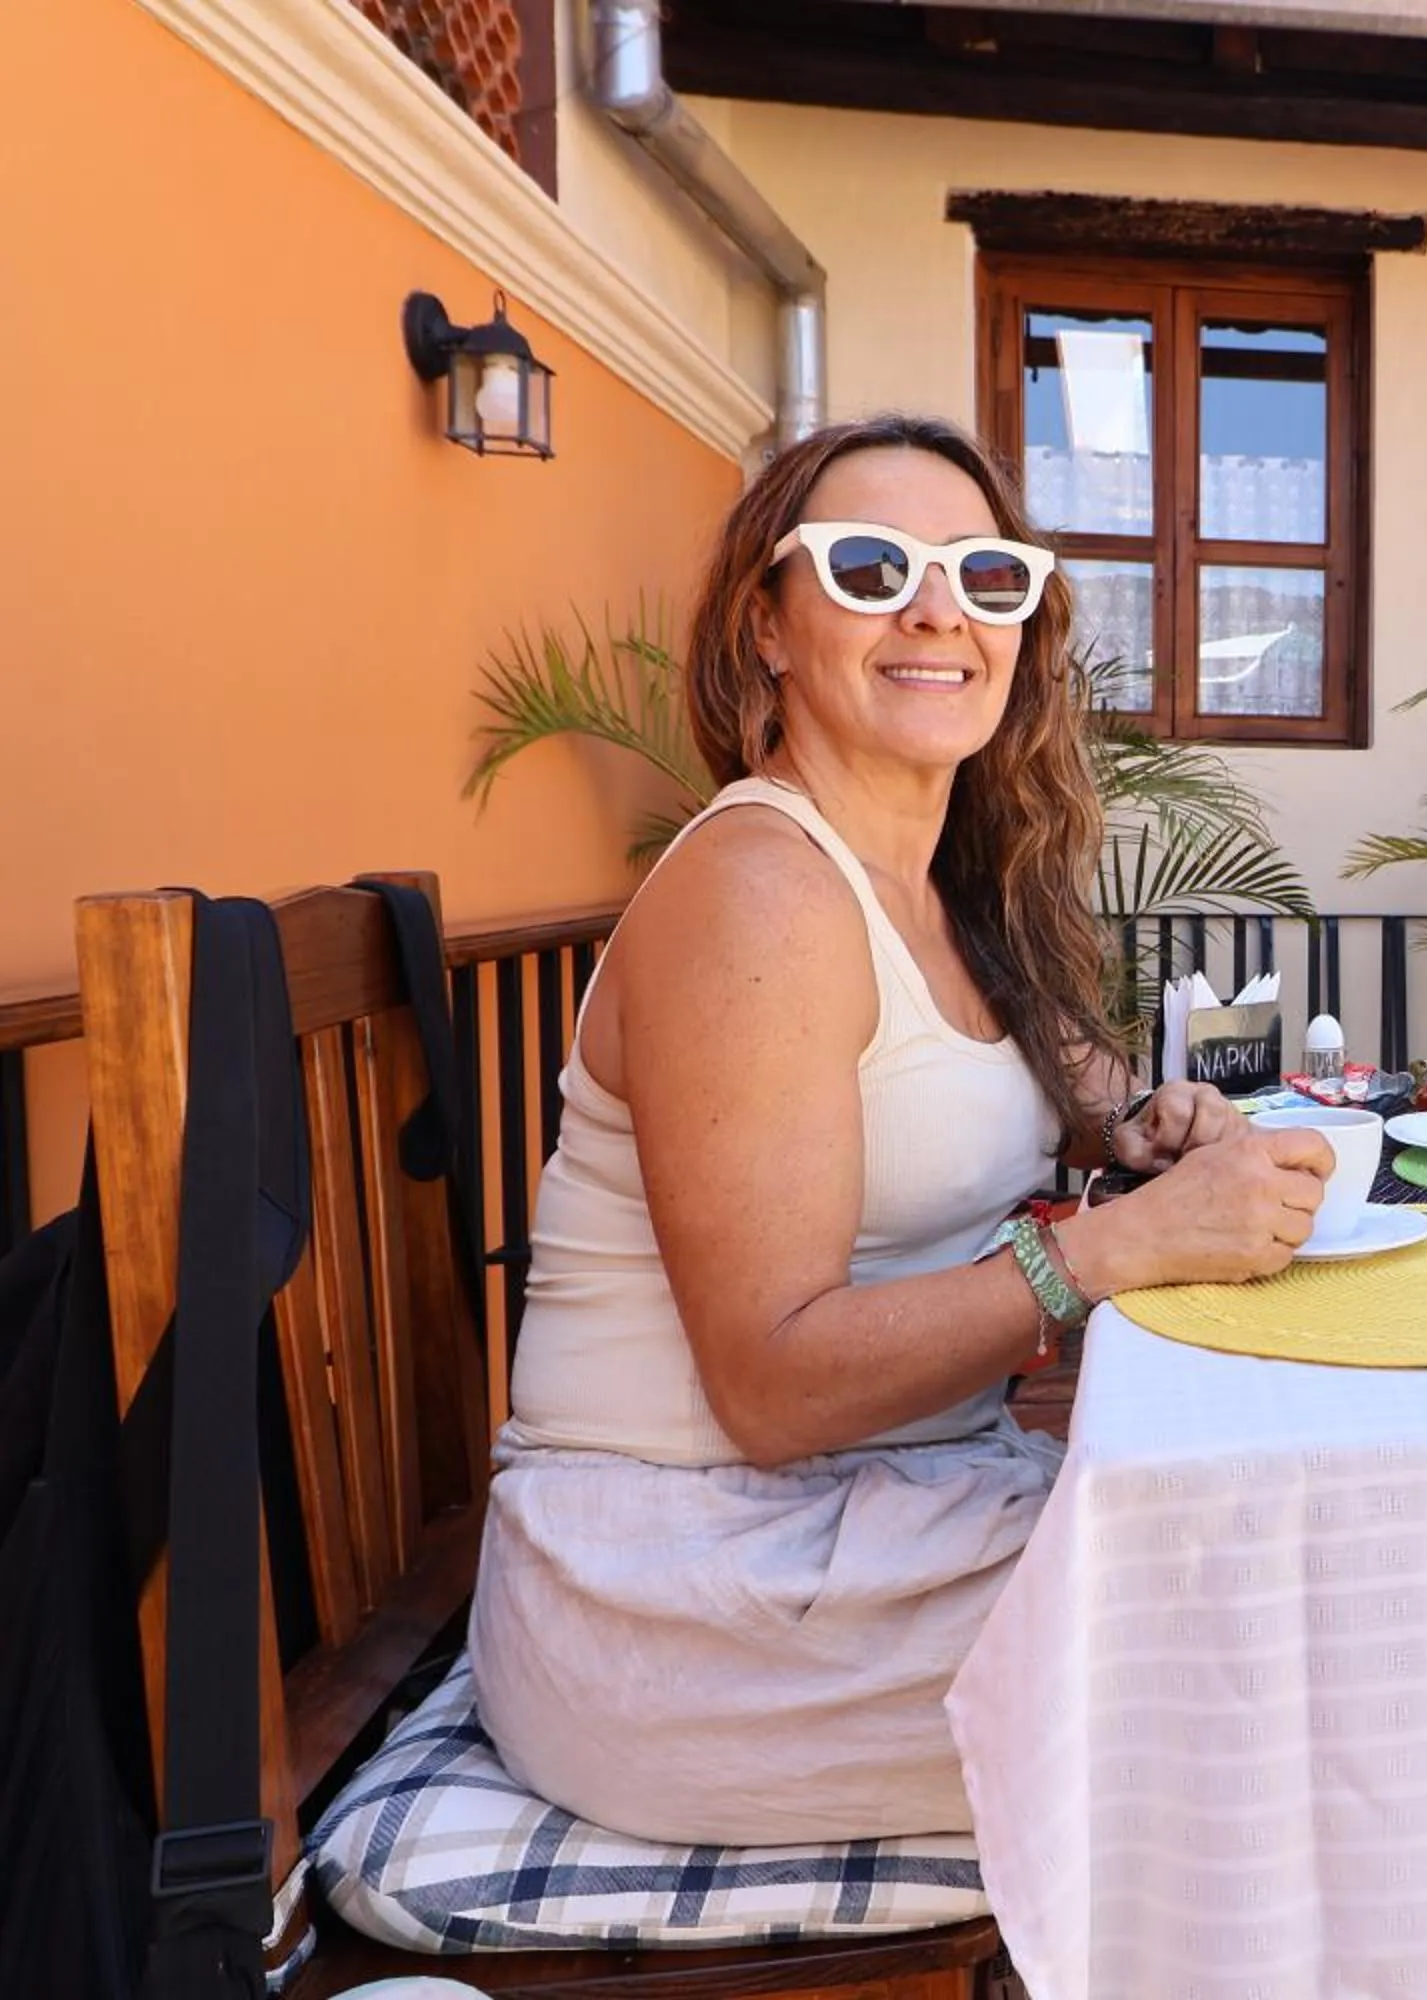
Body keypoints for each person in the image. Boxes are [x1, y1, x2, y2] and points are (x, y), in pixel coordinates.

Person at [469, 413, 1335, 1845]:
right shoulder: (763, 890)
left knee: (1304, 1554)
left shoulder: (949, 888)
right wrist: (1105, 1253)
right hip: (689, 1594)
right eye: (870, 568)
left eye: (985, 576)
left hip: (881, 1518)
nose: (937, 609)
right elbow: (770, 1385)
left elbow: (1071, 1101)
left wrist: (1141, 1129)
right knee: (1300, 1649)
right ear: (768, 624)